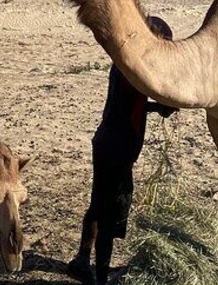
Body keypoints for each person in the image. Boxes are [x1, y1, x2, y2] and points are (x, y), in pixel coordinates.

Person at [67, 16, 178, 285]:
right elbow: (149, 98)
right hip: (117, 147)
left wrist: (154, 107)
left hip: (106, 142)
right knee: (109, 213)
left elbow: (134, 104)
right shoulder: (133, 70)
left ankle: (82, 260)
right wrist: (164, 104)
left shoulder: (124, 64)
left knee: (98, 203)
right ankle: (101, 277)